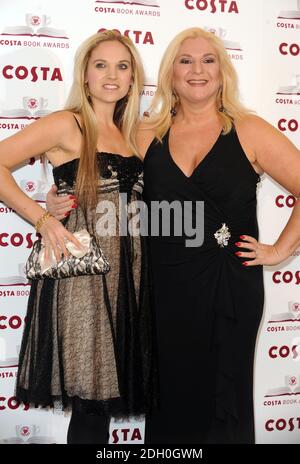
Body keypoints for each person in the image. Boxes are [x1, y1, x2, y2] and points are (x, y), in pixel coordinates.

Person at [47, 27, 300, 444]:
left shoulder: (250, 130)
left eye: (208, 60)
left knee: (225, 396)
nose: (196, 70)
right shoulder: (145, 134)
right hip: (162, 289)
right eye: (185, 60)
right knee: (171, 398)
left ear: (222, 72)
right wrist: (56, 197)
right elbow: (99, 169)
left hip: (229, 287)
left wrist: (278, 251)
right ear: (169, 74)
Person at [0, 30, 157, 444]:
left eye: (122, 67)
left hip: (133, 278)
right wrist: (40, 216)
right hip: (84, 281)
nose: (112, 75)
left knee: (107, 401)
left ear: (132, 79)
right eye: (101, 65)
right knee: (92, 403)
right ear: (85, 74)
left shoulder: (135, 133)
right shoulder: (66, 124)